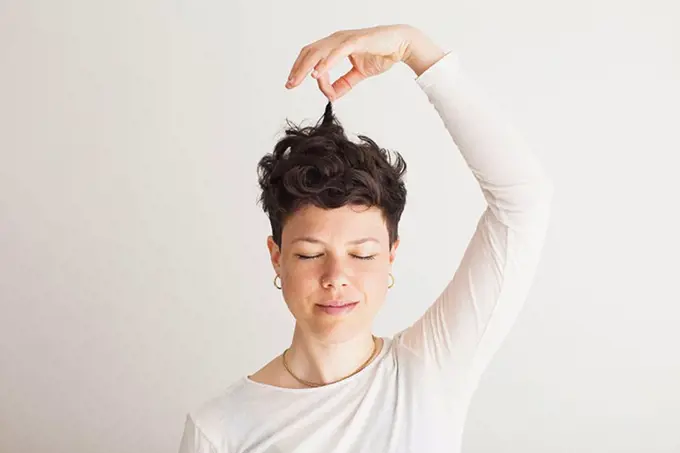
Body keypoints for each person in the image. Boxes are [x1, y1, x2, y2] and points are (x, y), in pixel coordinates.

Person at [178, 23, 553, 453]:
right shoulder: (221, 429)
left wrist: (413, 48)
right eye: (310, 254)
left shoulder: (429, 371)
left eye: (362, 254)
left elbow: (525, 201)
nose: (336, 277)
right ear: (276, 257)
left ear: (391, 256)